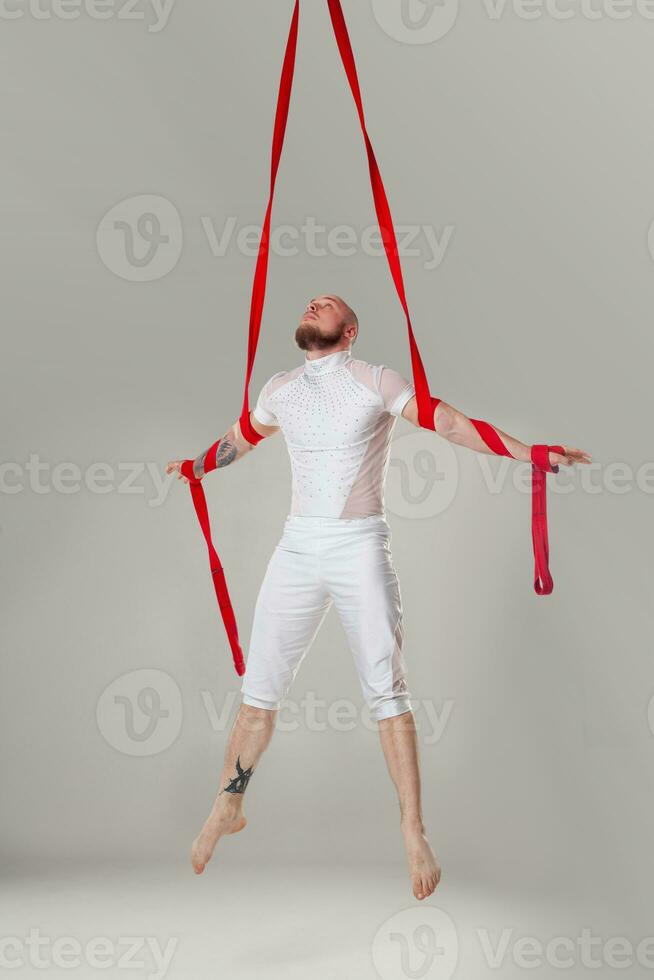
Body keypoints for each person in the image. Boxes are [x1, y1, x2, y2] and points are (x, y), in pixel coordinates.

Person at [167, 295, 591, 900]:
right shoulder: (281, 387)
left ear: (349, 330)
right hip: (296, 548)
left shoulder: (375, 379)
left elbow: (446, 421)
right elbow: (244, 436)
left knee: (386, 692)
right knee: (258, 690)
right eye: (312, 302)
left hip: (357, 545)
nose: (314, 303)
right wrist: (198, 465)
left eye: (328, 304)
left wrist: (530, 452)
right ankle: (227, 805)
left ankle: (413, 832)